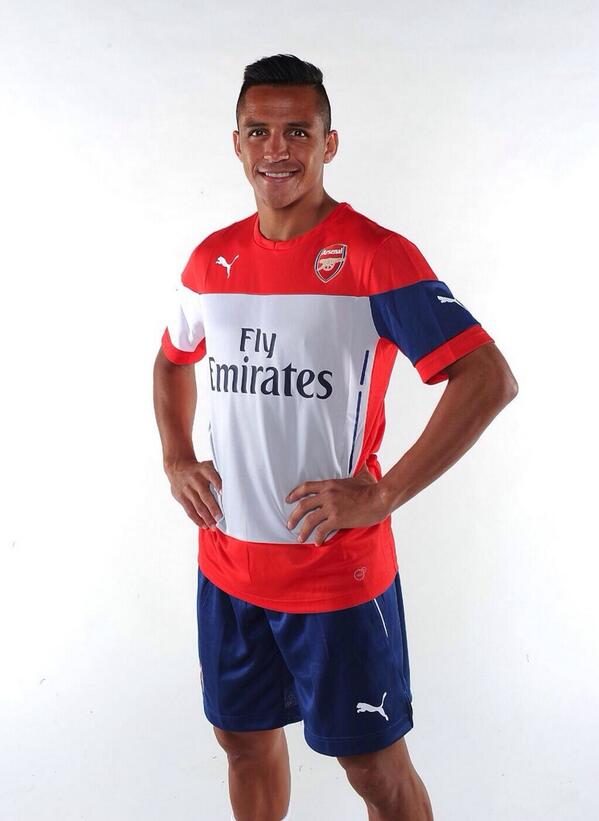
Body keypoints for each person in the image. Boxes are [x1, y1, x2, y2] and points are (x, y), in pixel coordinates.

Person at [153, 53, 518, 821]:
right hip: (227, 565)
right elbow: (172, 358)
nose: (276, 149)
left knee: (375, 770)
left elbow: (486, 377)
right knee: (241, 741)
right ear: (237, 143)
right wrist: (177, 455)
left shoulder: (375, 255)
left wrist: (382, 494)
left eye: (297, 131)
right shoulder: (210, 259)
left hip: (334, 575)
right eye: (259, 131)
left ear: (329, 143)